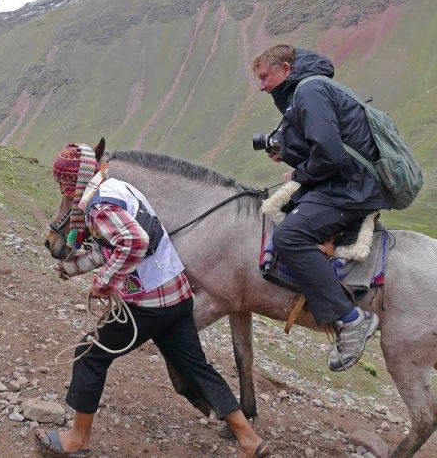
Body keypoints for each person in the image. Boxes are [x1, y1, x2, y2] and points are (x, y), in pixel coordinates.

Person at [37, 143, 269, 458]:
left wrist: (105, 283)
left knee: (90, 354)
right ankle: (249, 440)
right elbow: (109, 248)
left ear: (73, 183)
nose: (66, 195)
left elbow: (134, 242)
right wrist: (70, 268)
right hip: (177, 297)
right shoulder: (119, 188)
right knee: (198, 368)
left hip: (147, 306)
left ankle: (77, 439)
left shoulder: (98, 206)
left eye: (65, 188)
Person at [252, 44, 389, 372]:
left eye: (265, 76)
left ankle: (352, 319)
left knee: (290, 237)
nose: (261, 85)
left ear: (286, 69)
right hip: (341, 183)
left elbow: (329, 155)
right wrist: (288, 153)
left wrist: (296, 173)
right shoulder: (306, 90)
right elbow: (323, 149)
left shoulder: (310, 90)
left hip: (351, 188)